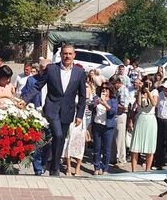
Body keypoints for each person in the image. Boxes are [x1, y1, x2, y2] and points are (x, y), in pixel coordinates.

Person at [23, 44, 86, 176]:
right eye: (65, 53)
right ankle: (54, 166)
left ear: (74, 55)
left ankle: (54, 167)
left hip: (68, 111)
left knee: (61, 138)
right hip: (52, 108)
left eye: (70, 54)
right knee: (57, 135)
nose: (67, 56)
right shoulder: (51, 69)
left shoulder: (79, 73)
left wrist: (79, 114)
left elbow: (82, 95)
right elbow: (37, 86)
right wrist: (25, 100)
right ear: (61, 55)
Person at [129, 79, 158, 172]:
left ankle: (147, 169)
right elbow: (139, 104)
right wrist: (140, 91)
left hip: (150, 118)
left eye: (149, 83)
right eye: (146, 83)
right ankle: (134, 170)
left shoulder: (154, 91)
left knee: (150, 145)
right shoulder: (140, 92)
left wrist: (148, 92)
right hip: (141, 117)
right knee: (136, 145)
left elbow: (154, 103)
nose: (147, 84)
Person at [91, 82, 118, 175]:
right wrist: (96, 103)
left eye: (106, 89)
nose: (104, 90)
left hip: (108, 127)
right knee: (97, 148)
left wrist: (105, 104)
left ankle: (105, 168)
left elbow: (114, 111)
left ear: (110, 90)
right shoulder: (96, 98)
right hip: (97, 125)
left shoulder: (113, 100)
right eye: (103, 89)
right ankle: (96, 167)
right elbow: (91, 108)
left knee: (106, 149)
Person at [111, 76, 130, 166]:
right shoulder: (117, 91)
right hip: (115, 115)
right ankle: (114, 157)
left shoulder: (123, 91)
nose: (114, 86)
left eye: (114, 84)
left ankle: (121, 159)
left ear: (119, 83)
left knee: (120, 138)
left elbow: (124, 107)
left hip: (121, 115)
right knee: (115, 137)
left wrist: (113, 104)